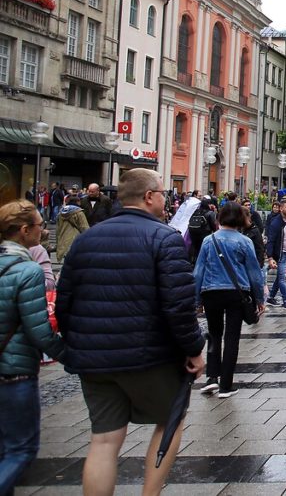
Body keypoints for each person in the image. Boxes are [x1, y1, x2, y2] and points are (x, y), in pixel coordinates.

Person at [55, 169, 205, 495]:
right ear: (149, 196)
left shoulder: (86, 239)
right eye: (163, 194)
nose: (166, 200)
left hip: (94, 358)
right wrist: (194, 349)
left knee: (104, 440)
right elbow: (178, 304)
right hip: (149, 355)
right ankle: (150, 492)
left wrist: (78, 344)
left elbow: (64, 302)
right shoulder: (164, 238)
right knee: (169, 421)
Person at [0, 200, 66, 494]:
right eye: (40, 226)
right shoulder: (28, 270)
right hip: (13, 372)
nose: (43, 231)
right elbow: (38, 329)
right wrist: (69, 356)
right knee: (21, 450)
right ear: (24, 231)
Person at [192, 202, 265, 398]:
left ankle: (211, 378)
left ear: (220, 217)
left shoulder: (209, 240)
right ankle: (226, 384)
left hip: (211, 291)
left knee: (214, 334)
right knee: (232, 338)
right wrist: (259, 298)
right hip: (236, 293)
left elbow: (198, 271)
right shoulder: (244, 241)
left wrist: (196, 298)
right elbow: (254, 273)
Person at [265, 197, 286, 309]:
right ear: (281, 208)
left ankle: (271, 296)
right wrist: (270, 257)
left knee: (280, 277)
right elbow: (271, 240)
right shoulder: (276, 223)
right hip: (281, 253)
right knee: (282, 277)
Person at [55, 194, 89, 262]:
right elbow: (84, 227)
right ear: (77, 202)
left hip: (63, 239)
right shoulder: (79, 212)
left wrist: (57, 242)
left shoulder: (61, 212)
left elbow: (57, 229)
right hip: (75, 239)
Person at [186, 196, 218, 265]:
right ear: (209, 205)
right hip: (205, 233)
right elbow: (214, 225)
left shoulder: (196, 211)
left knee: (195, 247)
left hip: (193, 232)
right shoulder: (210, 213)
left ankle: (192, 261)